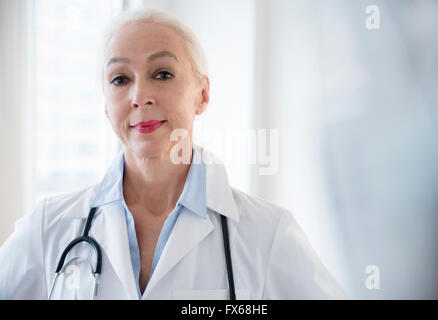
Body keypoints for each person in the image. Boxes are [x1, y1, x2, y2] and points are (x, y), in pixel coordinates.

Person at [0, 7, 345, 300]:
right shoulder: (49, 228)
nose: (139, 95)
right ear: (106, 106)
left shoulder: (267, 236)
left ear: (202, 94)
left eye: (162, 74)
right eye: (120, 79)